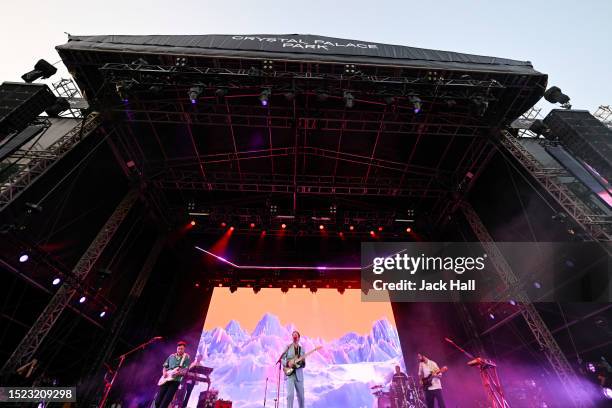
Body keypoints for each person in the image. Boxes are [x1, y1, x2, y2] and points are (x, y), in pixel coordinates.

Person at [154, 341, 191, 408]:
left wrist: (179, 373)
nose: (180, 350)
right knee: (157, 401)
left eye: (181, 349)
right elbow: (165, 366)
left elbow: (185, 371)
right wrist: (164, 372)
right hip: (166, 380)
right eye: (179, 348)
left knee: (165, 401)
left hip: (175, 381)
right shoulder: (171, 356)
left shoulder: (186, 357)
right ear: (177, 348)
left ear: (184, 349)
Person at [282, 331, 306, 408]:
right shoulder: (288, 347)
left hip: (299, 376)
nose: (294, 337)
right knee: (290, 396)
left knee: (301, 397)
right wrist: (288, 363)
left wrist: (299, 363)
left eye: (296, 336)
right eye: (293, 336)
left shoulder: (302, 349)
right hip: (290, 375)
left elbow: (304, 364)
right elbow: (282, 359)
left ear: (299, 338)